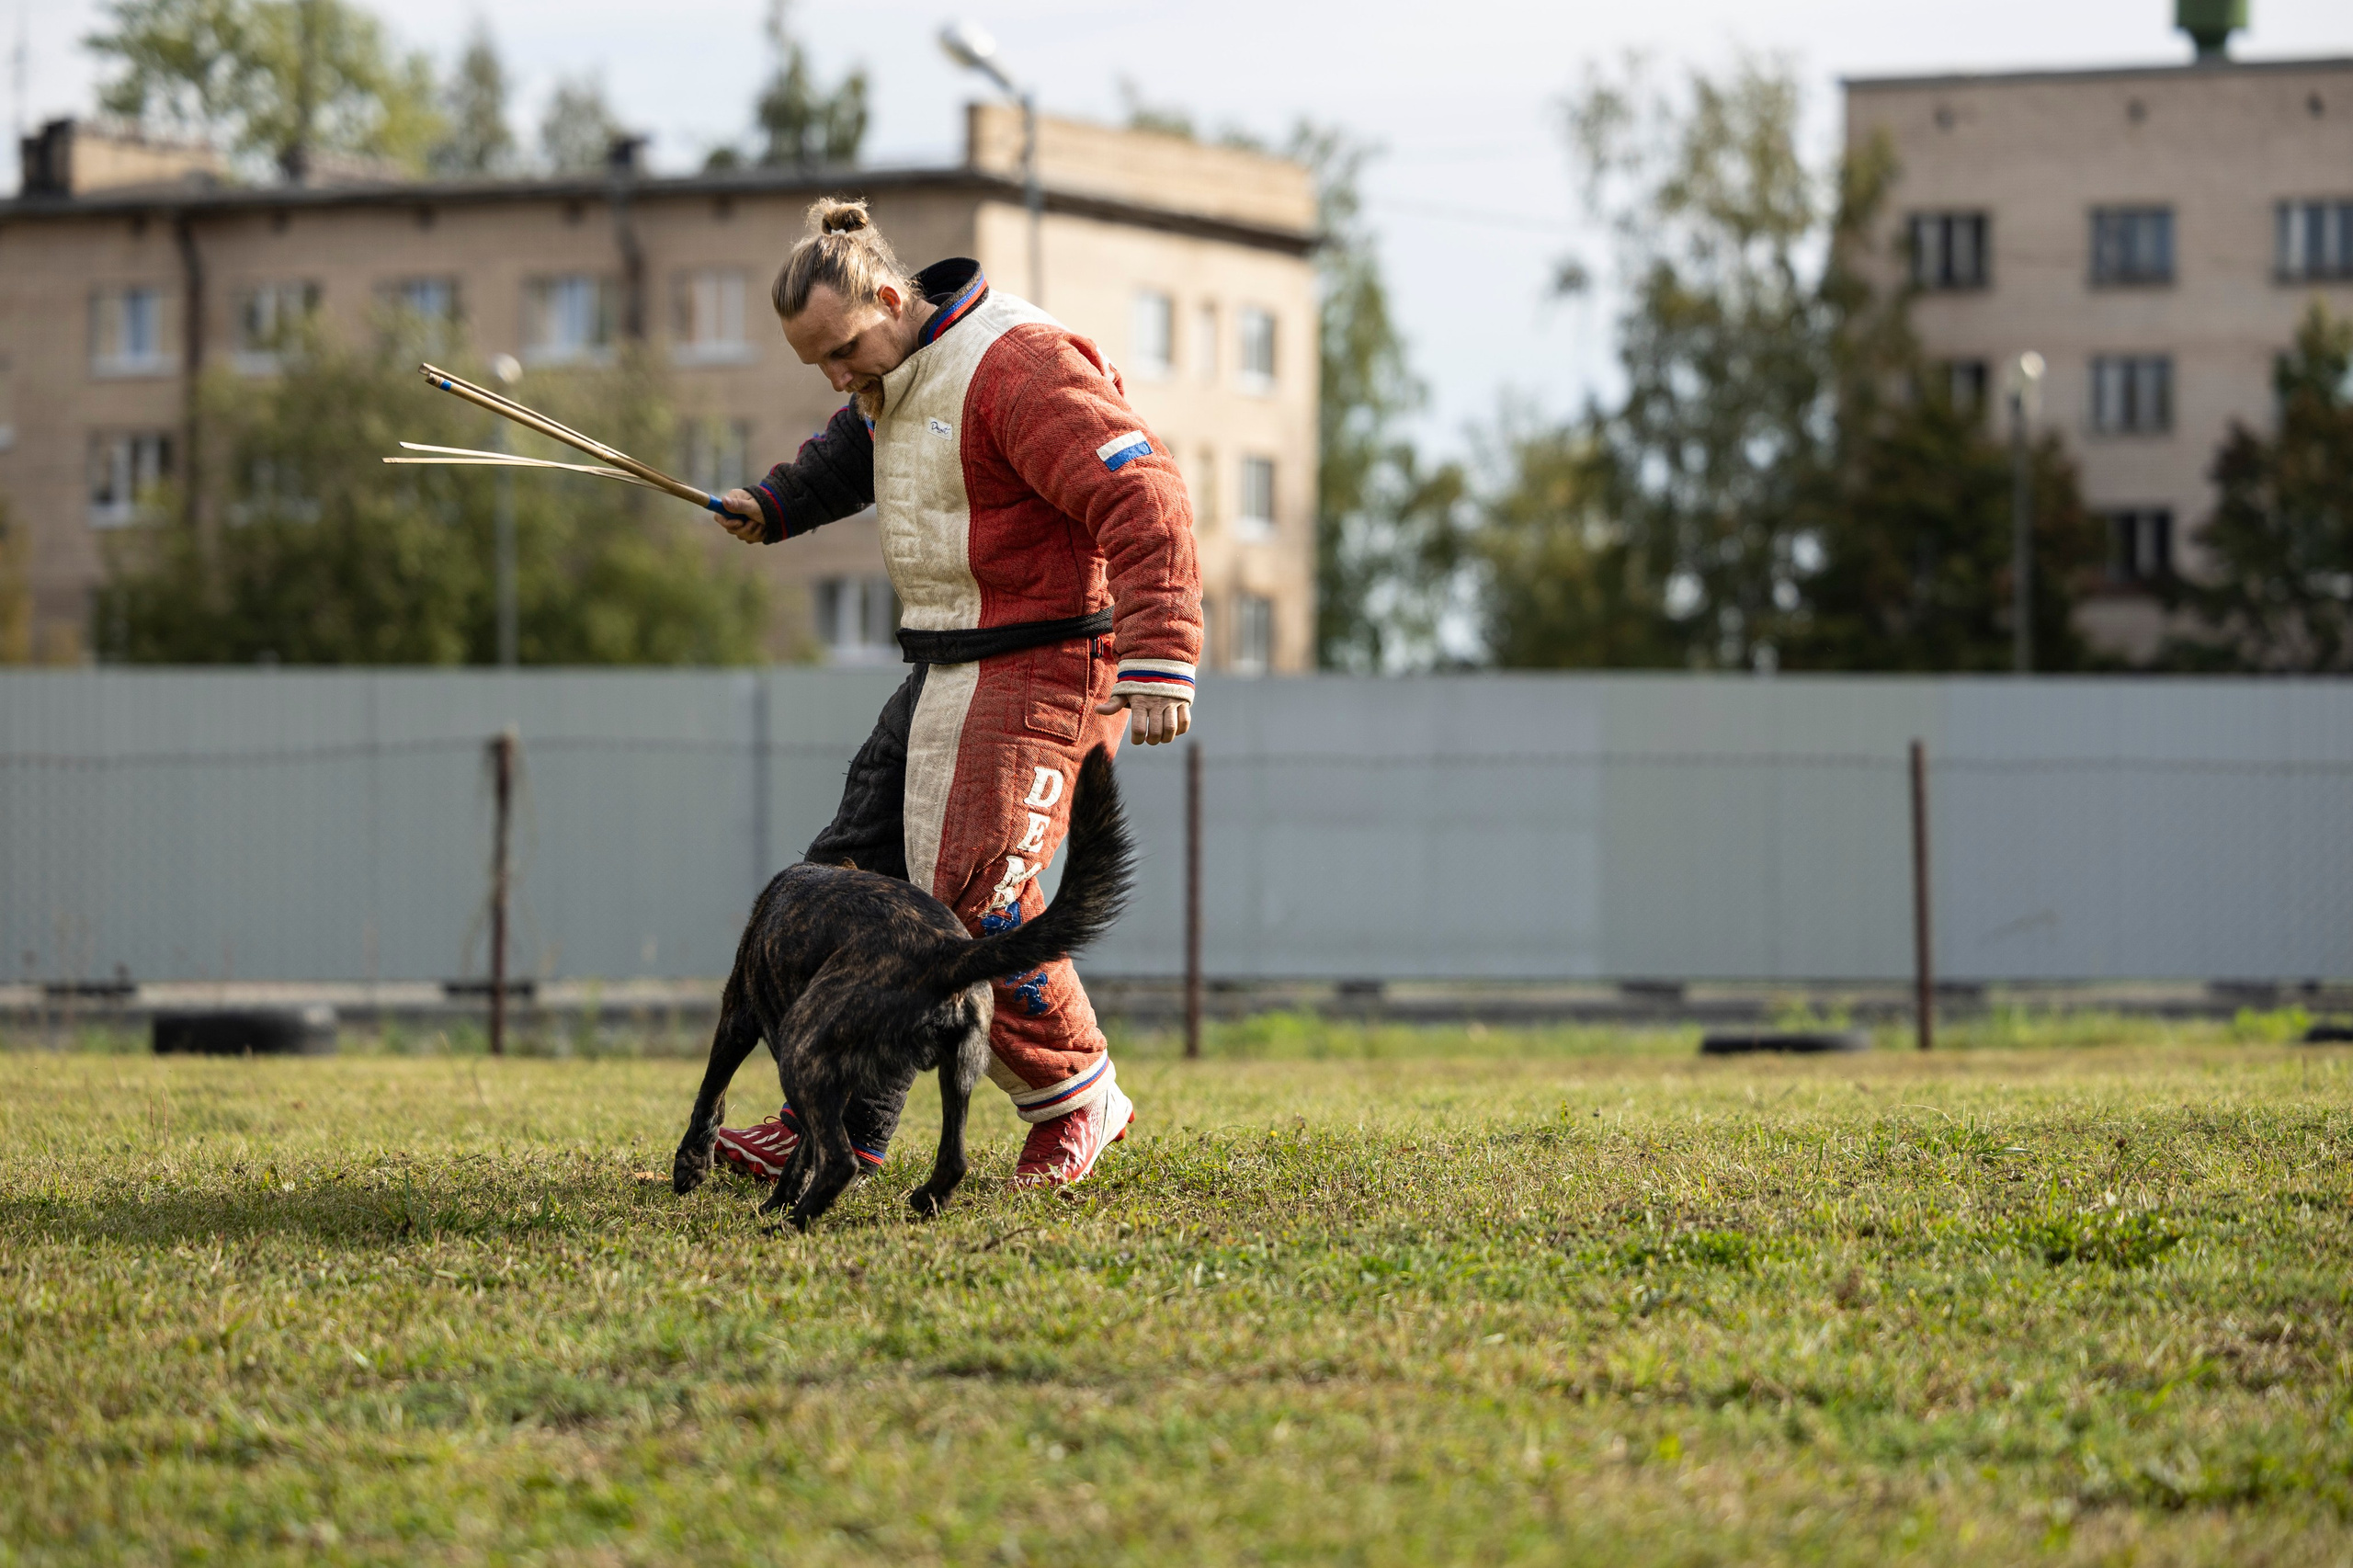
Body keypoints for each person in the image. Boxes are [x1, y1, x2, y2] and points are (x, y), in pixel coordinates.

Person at [707, 197, 1199, 1188]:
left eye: (843, 349)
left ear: (890, 294)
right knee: (845, 888)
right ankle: (842, 1121)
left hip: (1047, 662)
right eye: (821, 366)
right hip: (948, 659)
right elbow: (853, 451)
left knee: (973, 911)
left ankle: (1078, 1094)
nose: (841, 378)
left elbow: (1143, 493)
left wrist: (1162, 658)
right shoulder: (898, 371)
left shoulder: (1016, 364)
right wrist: (775, 504)